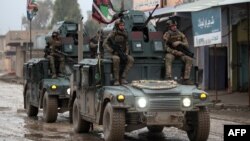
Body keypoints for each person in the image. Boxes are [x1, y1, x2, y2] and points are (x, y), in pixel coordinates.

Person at [103, 19, 134, 85]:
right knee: (116, 59)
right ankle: (116, 80)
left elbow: (127, 44)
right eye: (121, 25)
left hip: (122, 52)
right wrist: (111, 50)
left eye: (123, 25)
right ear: (117, 26)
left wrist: (126, 53)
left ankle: (123, 77)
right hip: (114, 54)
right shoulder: (113, 33)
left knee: (131, 59)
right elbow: (104, 44)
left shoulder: (125, 33)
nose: (122, 26)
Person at [163, 20, 193, 85]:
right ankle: (168, 77)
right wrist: (174, 51)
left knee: (189, 59)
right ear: (169, 27)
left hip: (181, 53)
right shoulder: (166, 35)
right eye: (173, 26)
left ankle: (186, 79)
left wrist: (179, 42)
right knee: (168, 57)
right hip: (172, 53)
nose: (174, 27)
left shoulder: (180, 34)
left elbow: (187, 45)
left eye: (175, 26)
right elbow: (165, 47)